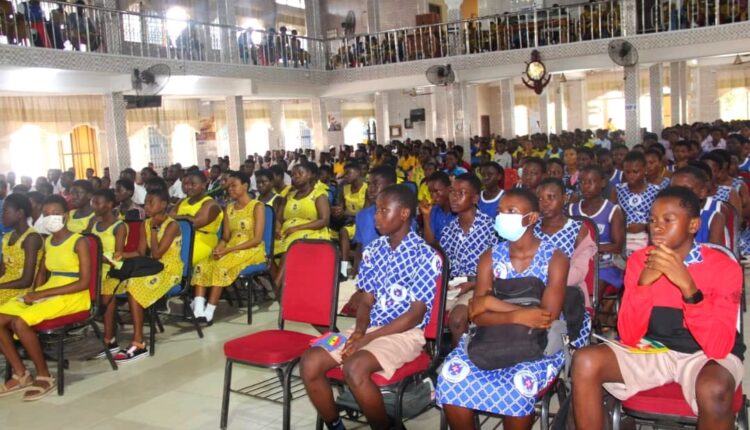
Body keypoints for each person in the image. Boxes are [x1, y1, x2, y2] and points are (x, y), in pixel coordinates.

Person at [572, 187, 744, 430]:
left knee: (714, 388)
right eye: (652, 220)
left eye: (667, 220)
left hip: (705, 354)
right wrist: (643, 285)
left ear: (693, 225)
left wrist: (689, 289)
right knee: (585, 360)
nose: (657, 227)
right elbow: (629, 336)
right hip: (654, 347)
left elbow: (718, 347)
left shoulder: (724, 267)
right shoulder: (640, 260)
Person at [300, 184, 441, 430]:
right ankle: (335, 425)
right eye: (376, 210)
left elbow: (415, 315)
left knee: (354, 368)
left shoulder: (425, 255)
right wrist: (359, 331)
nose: (376, 216)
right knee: (310, 362)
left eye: (383, 210)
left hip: (405, 334)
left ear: (404, 213)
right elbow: (366, 301)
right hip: (371, 329)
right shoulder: (374, 250)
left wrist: (367, 339)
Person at [436, 188, 572, 429]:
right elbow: (477, 316)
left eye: (511, 211)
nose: (502, 217)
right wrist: (518, 314)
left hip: (536, 343)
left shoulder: (555, 258)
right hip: (491, 338)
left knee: (518, 387)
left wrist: (490, 304)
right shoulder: (490, 257)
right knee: (449, 378)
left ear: (531, 218)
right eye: (500, 211)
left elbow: (544, 319)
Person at [0, 195, 91, 399]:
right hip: (50, 292)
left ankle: (44, 376)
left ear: (66, 216)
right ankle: (21, 374)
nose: (50, 218)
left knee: (20, 322)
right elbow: (41, 274)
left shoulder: (79, 241)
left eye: (55, 213)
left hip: (73, 295)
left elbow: (84, 282)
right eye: (46, 214)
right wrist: (35, 294)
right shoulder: (48, 241)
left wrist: (42, 294)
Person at [115, 190, 183, 362]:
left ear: (163, 204)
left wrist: (153, 230)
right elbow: (140, 252)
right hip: (152, 267)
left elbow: (157, 254)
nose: (146, 206)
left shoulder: (172, 225)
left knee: (134, 286)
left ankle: (138, 342)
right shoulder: (145, 223)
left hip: (170, 270)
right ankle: (110, 339)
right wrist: (120, 255)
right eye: (145, 202)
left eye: (151, 202)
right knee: (116, 280)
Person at [191, 171, 265, 325]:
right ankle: (198, 309)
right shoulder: (229, 208)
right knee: (202, 265)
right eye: (228, 186)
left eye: (233, 186)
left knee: (221, 267)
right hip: (230, 247)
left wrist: (228, 250)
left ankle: (209, 311)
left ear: (245, 186)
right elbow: (225, 237)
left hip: (251, 249)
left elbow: (257, 239)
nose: (229, 189)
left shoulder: (256, 206)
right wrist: (219, 249)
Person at [441, 173, 497, 346]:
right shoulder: (449, 230)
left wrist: (472, 284)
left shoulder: (490, 227)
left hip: (478, 285)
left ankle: (458, 358)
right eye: (452, 191)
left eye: (461, 193)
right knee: (421, 310)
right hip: (453, 286)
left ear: (474, 198)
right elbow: (443, 264)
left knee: (457, 319)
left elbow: (499, 268)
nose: (454, 197)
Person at [570, 165, 626, 310]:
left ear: (602, 183)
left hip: (604, 264)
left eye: (590, 182)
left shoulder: (613, 210)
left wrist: (588, 249)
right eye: (582, 182)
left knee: (590, 294)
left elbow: (617, 246)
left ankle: (589, 315)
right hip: (576, 262)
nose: (585, 186)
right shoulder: (571, 209)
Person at [535, 178, 597, 305]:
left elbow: (579, 271)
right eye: (540, 199)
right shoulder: (531, 227)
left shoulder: (577, 229)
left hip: (566, 291)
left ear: (565, 198)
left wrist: (547, 283)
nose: (545, 203)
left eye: (551, 197)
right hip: (532, 291)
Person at [87, 189, 127, 358]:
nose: (94, 206)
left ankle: (110, 340)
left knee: (106, 290)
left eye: (98, 203)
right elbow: (85, 243)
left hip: (112, 270)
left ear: (110, 205)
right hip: (93, 268)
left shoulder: (119, 226)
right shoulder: (93, 223)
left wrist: (96, 256)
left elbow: (117, 257)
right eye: (93, 202)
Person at [611, 151, 660, 256]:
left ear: (645, 169)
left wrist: (644, 226)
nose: (631, 176)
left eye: (635, 172)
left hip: (647, 238)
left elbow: (659, 218)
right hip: (623, 238)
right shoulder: (618, 189)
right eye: (627, 172)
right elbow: (610, 215)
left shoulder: (655, 191)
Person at [170, 170, 223, 265]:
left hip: (202, 241)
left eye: (193, 184)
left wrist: (179, 218)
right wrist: (187, 217)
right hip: (179, 239)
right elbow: (169, 218)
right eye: (185, 184)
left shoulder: (211, 204)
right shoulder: (182, 201)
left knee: (179, 260)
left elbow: (194, 223)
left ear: (203, 185)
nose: (188, 187)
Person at [0, 194, 43, 305]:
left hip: (19, 290)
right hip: (4, 284)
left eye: (6, 212)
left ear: (20, 213)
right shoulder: (7, 237)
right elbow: (2, 269)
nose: (2, 215)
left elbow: (26, 281)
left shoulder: (31, 238)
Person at [670, 166, 727, 246]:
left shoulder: (714, 218)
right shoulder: (664, 214)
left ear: (702, 192)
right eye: (674, 189)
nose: (679, 194)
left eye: (686, 190)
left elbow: (714, 250)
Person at [420, 171, 456, 245]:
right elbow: (429, 243)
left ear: (449, 189)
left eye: (436, 191)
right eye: (431, 192)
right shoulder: (433, 211)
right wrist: (426, 216)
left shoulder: (459, 211)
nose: (433, 196)